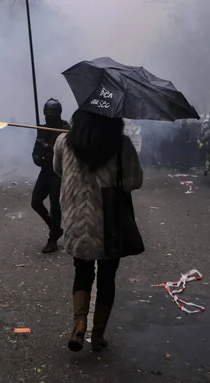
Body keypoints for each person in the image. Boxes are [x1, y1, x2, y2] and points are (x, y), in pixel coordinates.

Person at [53, 110, 143, 352]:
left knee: (81, 272)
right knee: (106, 277)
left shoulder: (64, 141)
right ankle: (99, 334)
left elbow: (59, 171)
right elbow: (133, 182)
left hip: (75, 219)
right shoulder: (120, 144)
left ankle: (79, 326)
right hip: (108, 222)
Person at [31, 98, 71, 253]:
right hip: (45, 171)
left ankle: (52, 239)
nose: (49, 115)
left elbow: (69, 151)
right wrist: (37, 157)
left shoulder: (65, 128)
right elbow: (36, 149)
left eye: (52, 112)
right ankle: (55, 228)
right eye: (47, 112)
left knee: (55, 207)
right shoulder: (42, 129)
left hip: (58, 173)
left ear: (58, 113)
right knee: (35, 202)